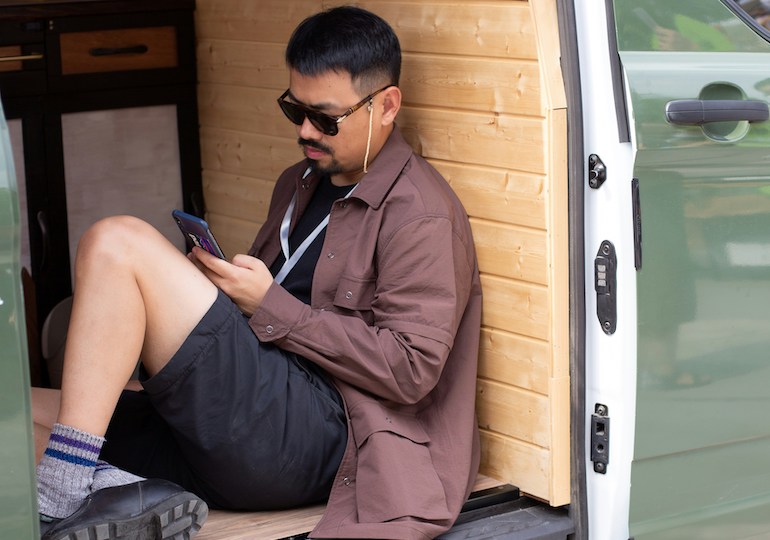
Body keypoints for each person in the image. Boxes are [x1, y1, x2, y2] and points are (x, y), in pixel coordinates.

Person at [32, 6, 482, 540]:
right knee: (20, 415)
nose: (306, 131)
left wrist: (269, 304)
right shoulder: (301, 181)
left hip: (318, 434)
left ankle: (61, 498)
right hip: (252, 416)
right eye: (295, 110)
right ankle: (121, 494)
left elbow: (411, 371)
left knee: (114, 241)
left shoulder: (420, 212)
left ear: (386, 106)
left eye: (326, 117)